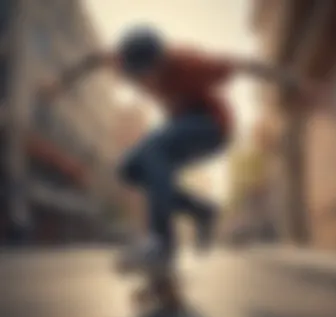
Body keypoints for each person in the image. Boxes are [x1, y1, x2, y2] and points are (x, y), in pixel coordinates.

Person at [39, 26, 315, 301]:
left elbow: (246, 66)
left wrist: (294, 82)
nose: (146, 82)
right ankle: (201, 210)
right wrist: (60, 84)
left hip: (212, 127)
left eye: (151, 73)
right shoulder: (124, 63)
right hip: (179, 129)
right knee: (130, 169)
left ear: (161, 60)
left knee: (155, 149)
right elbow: (92, 60)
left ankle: (160, 245)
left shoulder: (189, 63)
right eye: (139, 77)